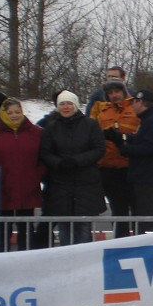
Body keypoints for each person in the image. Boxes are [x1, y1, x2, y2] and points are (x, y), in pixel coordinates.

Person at [0, 98, 45, 251]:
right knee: (3, 231)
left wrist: (36, 175)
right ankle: (2, 261)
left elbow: (44, 157)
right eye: (10, 113)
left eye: (17, 112)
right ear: (3, 114)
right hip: (2, 189)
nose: (14, 115)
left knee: (26, 230)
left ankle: (26, 261)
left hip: (28, 188)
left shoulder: (36, 132)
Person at [39, 90, 105, 246]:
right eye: (62, 104)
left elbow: (99, 149)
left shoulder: (91, 124)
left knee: (83, 229)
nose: (66, 107)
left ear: (75, 105)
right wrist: (58, 162)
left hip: (86, 184)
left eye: (69, 103)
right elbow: (45, 152)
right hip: (61, 185)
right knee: (64, 228)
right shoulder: (51, 127)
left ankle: (85, 263)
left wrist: (77, 161)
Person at [109, 90, 153, 234]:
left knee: (146, 215)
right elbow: (143, 141)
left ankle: (148, 243)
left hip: (149, 177)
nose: (132, 106)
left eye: (133, 102)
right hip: (145, 175)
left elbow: (151, 147)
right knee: (143, 213)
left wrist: (126, 148)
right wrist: (123, 138)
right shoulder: (148, 120)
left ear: (141, 102)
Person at [91, 77, 142, 238]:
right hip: (109, 168)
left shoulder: (136, 108)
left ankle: (144, 242)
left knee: (138, 208)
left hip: (132, 166)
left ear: (124, 92)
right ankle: (121, 243)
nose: (114, 95)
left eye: (117, 91)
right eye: (110, 92)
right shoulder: (102, 112)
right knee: (118, 210)